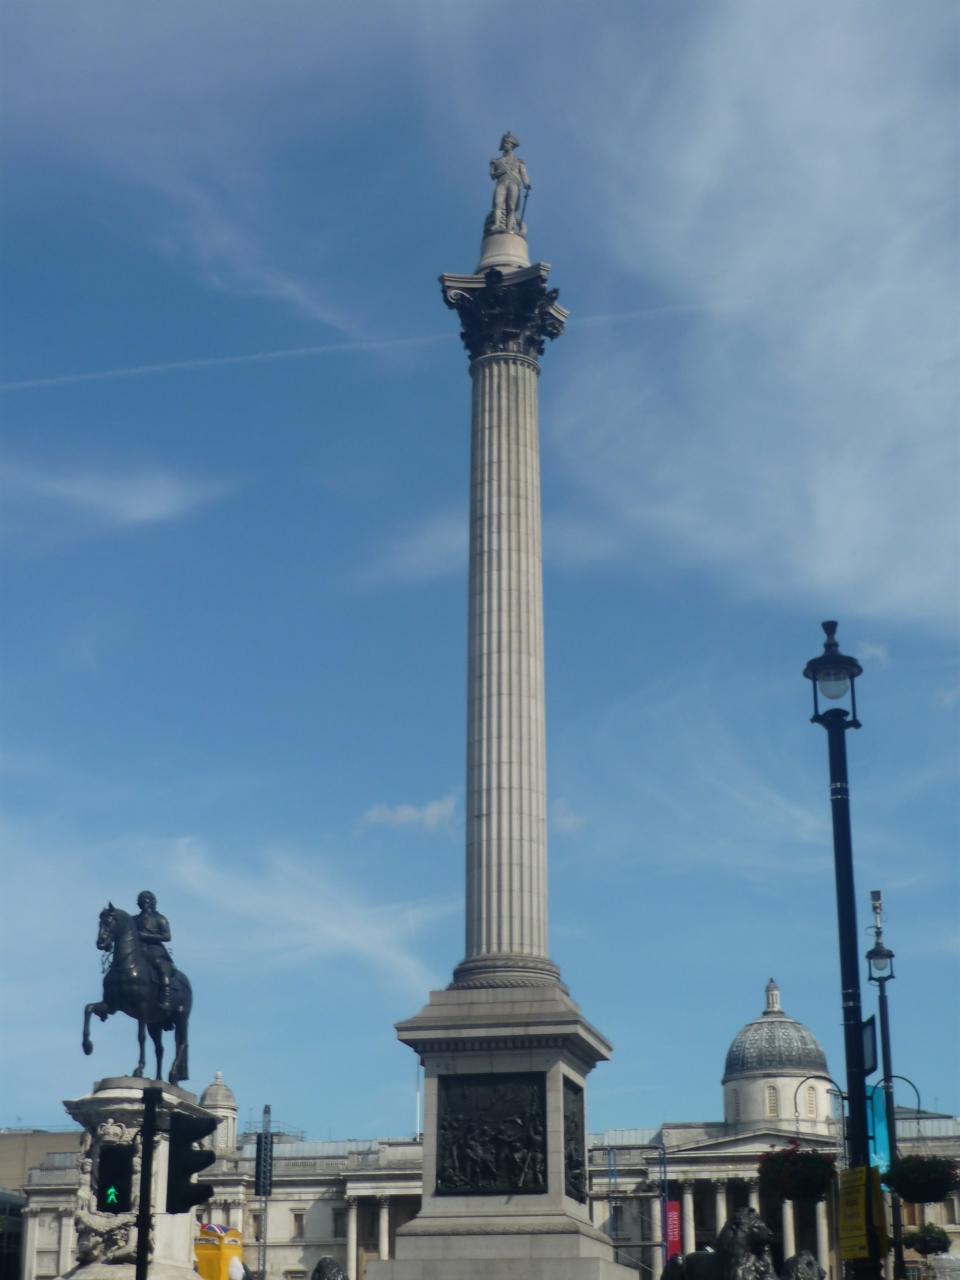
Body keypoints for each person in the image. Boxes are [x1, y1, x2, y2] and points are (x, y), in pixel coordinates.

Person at [134, 890, 174, 1015]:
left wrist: (147, 935)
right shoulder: (134, 920)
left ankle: (166, 1000)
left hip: (155, 952)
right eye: (141, 899)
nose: (144, 901)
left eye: (146, 899)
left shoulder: (160, 919)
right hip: (139, 951)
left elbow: (167, 936)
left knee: (162, 968)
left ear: (151, 902)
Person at [488, 133, 530, 234]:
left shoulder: (518, 162)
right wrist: (498, 170)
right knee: (498, 204)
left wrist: (526, 184)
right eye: (504, 143)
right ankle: (497, 224)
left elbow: (523, 174)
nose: (505, 145)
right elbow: (492, 176)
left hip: (514, 183)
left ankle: (510, 227)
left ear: (511, 145)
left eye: (507, 143)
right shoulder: (497, 162)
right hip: (502, 182)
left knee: (511, 207)